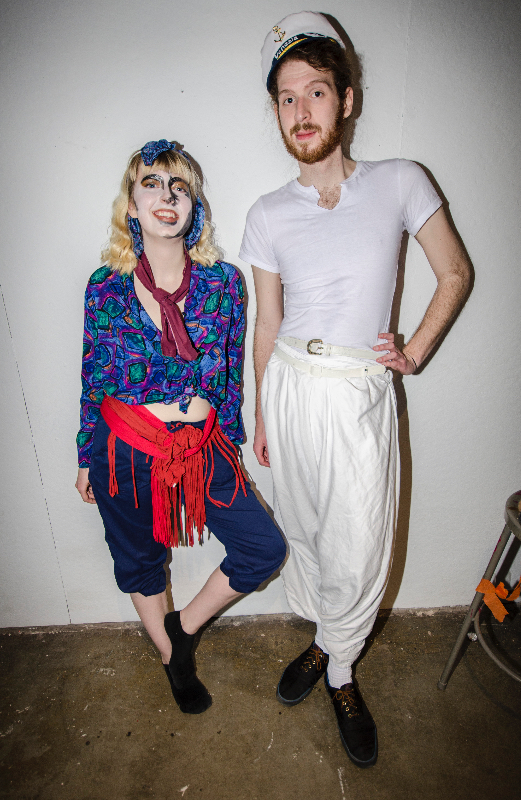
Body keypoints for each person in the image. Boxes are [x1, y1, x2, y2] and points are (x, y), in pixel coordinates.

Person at [239, 12, 471, 767]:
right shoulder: (267, 213)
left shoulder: (401, 181)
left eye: (315, 91)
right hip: (289, 387)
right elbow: (267, 324)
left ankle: (340, 670)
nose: (300, 110)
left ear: (345, 99)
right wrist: (260, 411)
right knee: (306, 530)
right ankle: (323, 640)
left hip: (356, 390)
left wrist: (415, 350)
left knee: (359, 539)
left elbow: (454, 272)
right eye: (285, 98)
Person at [76, 139, 285, 715]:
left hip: (200, 447)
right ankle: (173, 658)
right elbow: (94, 375)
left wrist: (231, 449)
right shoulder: (104, 286)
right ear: (132, 205)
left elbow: (230, 379)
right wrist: (84, 455)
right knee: (140, 559)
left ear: (195, 208)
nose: (167, 196)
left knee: (263, 548)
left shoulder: (224, 283)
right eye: (152, 184)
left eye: (181, 188)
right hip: (125, 448)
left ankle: (184, 628)